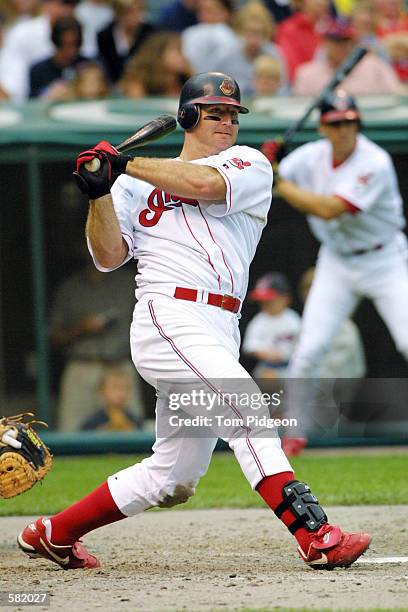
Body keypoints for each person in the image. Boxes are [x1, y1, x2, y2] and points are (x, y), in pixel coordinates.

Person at [17, 71, 371, 571]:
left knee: (174, 476)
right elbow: (107, 255)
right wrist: (99, 191)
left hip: (220, 325)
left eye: (231, 114)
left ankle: (52, 532)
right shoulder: (132, 186)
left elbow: (204, 183)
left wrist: (123, 163)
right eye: (213, 113)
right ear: (186, 118)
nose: (226, 122)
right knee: (248, 409)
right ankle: (317, 535)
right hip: (168, 316)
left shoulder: (248, 164)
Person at [262, 89, 408, 445]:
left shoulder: (374, 161)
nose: (344, 130)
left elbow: (329, 208)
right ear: (323, 128)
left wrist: (278, 178)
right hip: (337, 261)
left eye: (350, 122)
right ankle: (294, 434)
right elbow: (264, 176)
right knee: (310, 350)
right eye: (336, 123)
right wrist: (269, 161)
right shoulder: (312, 156)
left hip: (383, 258)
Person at [49, 250, 144, 431]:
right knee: (71, 429)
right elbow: (54, 336)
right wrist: (82, 327)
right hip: (83, 365)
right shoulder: (70, 287)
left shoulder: (129, 282)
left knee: (131, 427)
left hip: (120, 365)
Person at [293, 17, 402, 95]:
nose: (343, 47)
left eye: (347, 41)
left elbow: (397, 96)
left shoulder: (375, 67)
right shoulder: (307, 73)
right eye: (337, 41)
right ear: (325, 43)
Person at [0, 0, 79, 101]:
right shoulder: (22, 32)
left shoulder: (79, 28)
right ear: (48, 4)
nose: (66, 9)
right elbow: (12, 86)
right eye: (62, 3)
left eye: (71, 4)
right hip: (30, 100)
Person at [242, 272, 301, 378]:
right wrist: (266, 353)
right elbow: (249, 346)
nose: (265, 305)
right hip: (267, 366)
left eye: (269, 301)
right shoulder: (260, 320)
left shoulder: (292, 319)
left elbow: (302, 345)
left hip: (290, 366)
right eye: (262, 302)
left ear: (285, 299)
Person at [96, 0, 157, 85]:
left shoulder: (151, 33)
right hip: (113, 84)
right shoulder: (104, 36)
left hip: (143, 83)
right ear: (118, 13)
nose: (134, 16)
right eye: (129, 12)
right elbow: (106, 67)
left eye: (139, 11)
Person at [29, 15, 87, 99]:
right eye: (65, 44)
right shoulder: (38, 70)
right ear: (55, 42)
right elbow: (31, 102)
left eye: (76, 44)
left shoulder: (88, 66)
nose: (71, 50)